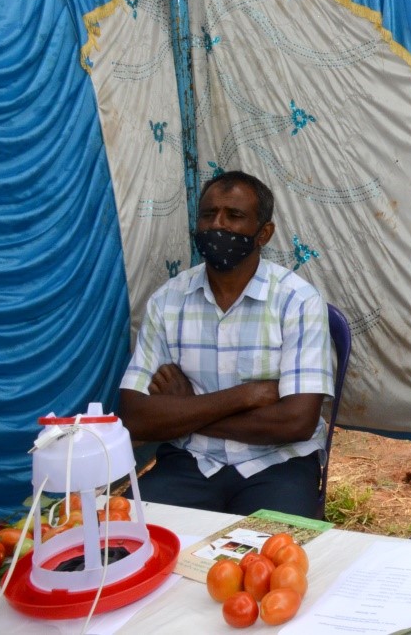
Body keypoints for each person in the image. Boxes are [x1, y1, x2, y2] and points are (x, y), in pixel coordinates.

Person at [118, 171, 334, 517]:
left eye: (234, 216)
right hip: (189, 461)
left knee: (277, 559)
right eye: (208, 214)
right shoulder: (167, 301)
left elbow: (295, 422)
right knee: (126, 539)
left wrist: (186, 409)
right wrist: (243, 397)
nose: (217, 226)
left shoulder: (297, 301)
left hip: (276, 464)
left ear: (264, 233)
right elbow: (135, 417)